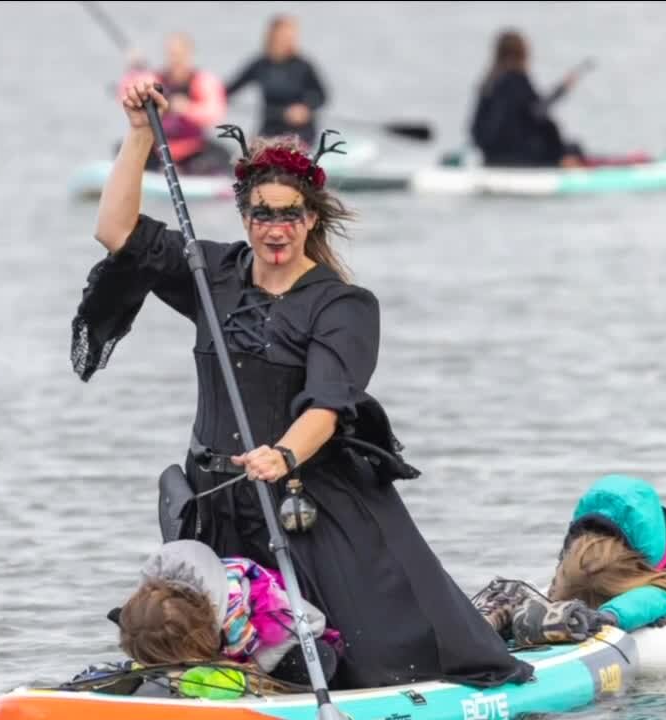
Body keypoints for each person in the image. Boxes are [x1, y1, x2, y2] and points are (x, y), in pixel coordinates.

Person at [71, 79, 534, 692]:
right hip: (214, 499)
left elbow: (328, 402)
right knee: (202, 643)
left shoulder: (342, 306)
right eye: (263, 212)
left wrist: (283, 452)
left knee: (364, 661)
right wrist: (136, 137)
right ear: (245, 215)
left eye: (290, 214)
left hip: (302, 497)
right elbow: (117, 231)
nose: (276, 227)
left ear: (310, 219)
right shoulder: (211, 274)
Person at [474, 474, 666, 645]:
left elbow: (655, 599)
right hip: (636, 553)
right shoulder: (580, 544)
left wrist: (608, 617)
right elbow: (557, 591)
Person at [114, 539, 342, 689]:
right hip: (215, 645)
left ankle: (268, 689)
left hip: (270, 645)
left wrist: (256, 668)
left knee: (317, 660)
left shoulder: (262, 600)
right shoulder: (152, 599)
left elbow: (314, 622)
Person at [468, 29, 585, 168]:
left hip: (491, 156)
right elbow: (538, 111)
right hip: (520, 156)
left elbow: (476, 128)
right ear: (522, 53)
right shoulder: (517, 81)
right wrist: (562, 89)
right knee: (573, 149)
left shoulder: (488, 84)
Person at [118, 33, 230, 175]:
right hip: (158, 150)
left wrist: (187, 108)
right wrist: (133, 69)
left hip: (192, 150)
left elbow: (216, 112)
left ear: (189, 55)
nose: (175, 60)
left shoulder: (203, 81)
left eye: (180, 55)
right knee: (120, 148)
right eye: (172, 54)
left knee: (224, 156)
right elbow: (127, 94)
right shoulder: (154, 79)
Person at [225, 14, 327, 148]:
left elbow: (321, 96)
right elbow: (229, 89)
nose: (282, 41)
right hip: (269, 127)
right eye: (279, 37)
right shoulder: (260, 65)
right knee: (254, 158)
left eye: (287, 38)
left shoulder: (302, 66)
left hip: (298, 131)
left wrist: (305, 108)